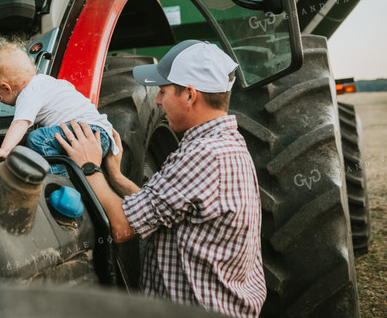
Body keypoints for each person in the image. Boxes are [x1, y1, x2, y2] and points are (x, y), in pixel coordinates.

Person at [55, 40, 266, 318]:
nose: (157, 100)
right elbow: (158, 207)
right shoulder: (227, 145)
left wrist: (89, 166)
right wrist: (115, 177)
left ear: (190, 95)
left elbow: (123, 227)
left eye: (163, 91)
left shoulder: (202, 156)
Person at [0, 40, 118, 174]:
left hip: (86, 133)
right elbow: (69, 86)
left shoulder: (28, 93)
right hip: (102, 135)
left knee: (38, 139)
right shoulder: (45, 81)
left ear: (6, 88)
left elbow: (20, 124)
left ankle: (61, 183)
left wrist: (4, 150)